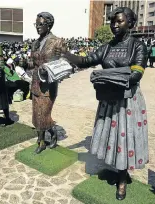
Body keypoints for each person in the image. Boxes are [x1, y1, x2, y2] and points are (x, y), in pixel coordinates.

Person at [58, 7, 148, 200]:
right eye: (112, 21)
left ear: (130, 24)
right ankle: (114, 168)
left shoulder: (138, 46)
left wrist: (106, 76)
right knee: (111, 136)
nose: (114, 25)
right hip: (108, 99)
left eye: (120, 21)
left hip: (126, 102)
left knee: (124, 138)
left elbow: (136, 74)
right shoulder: (107, 47)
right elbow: (86, 60)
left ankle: (122, 179)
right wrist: (66, 54)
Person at [28, 12, 67, 154]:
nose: (37, 27)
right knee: (36, 114)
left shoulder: (57, 42)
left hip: (49, 85)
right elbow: (32, 63)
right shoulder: (35, 43)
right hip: (35, 83)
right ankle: (42, 141)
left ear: (49, 25)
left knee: (43, 114)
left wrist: (49, 70)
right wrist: (26, 63)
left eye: (40, 24)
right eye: (36, 24)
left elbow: (65, 62)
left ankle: (50, 133)